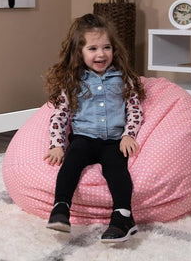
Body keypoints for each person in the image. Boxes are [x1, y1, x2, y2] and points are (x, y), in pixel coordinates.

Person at [43, 13, 145, 243]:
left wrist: (129, 135)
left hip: (113, 141)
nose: (101, 54)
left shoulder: (122, 78)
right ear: (79, 52)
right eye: (93, 48)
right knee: (71, 163)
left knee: (117, 170)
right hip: (84, 138)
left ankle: (123, 217)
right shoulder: (73, 81)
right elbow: (60, 115)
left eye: (107, 47)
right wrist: (57, 145)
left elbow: (134, 109)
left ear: (114, 49)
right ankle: (60, 208)